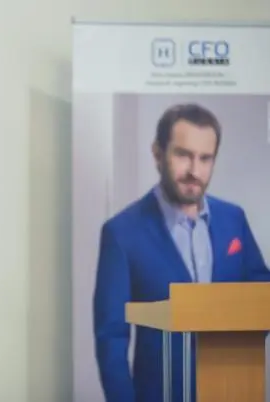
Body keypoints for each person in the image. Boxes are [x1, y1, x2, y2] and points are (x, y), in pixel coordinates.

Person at [92, 103, 270, 402]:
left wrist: (236, 350)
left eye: (205, 158)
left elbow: (262, 296)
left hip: (232, 391)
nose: (194, 171)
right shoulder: (121, 233)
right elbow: (111, 339)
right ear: (157, 153)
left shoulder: (233, 219)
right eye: (183, 155)